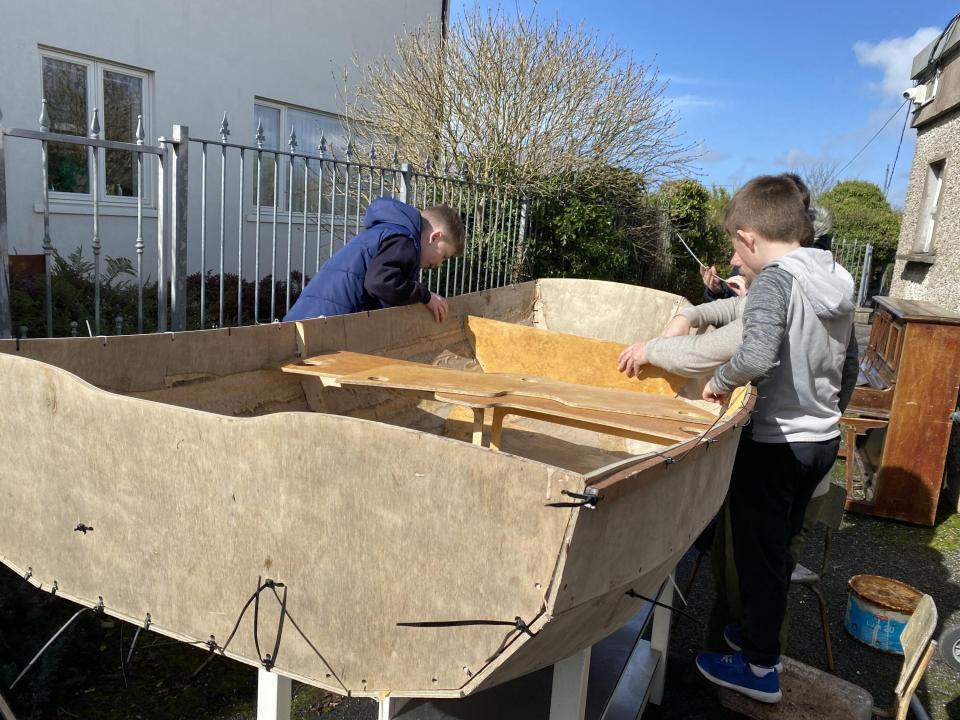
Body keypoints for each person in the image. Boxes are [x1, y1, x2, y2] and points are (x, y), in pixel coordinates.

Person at [691, 175, 856, 704]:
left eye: (736, 248)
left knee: (759, 557)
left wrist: (716, 384)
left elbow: (757, 355)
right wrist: (826, 415)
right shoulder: (836, 277)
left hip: (777, 444)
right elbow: (849, 366)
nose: (737, 260)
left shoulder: (776, 282)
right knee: (780, 549)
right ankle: (758, 637)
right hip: (822, 441)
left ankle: (759, 669)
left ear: (750, 237)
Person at [284, 198, 464, 323]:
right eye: (444, 256)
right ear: (435, 237)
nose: (440, 264)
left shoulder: (391, 232)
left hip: (310, 317)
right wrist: (425, 296)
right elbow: (381, 282)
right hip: (322, 325)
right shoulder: (404, 240)